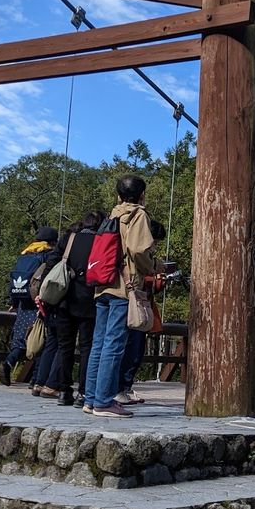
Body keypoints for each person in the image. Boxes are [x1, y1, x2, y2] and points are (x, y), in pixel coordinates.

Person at [85, 176, 165, 418]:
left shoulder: (112, 215)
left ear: (119, 195)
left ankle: (91, 398)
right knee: (114, 344)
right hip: (125, 286)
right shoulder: (138, 215)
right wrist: (153, 266)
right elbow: (139, 249)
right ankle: (104, 401)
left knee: (98, 344)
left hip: (103, 285)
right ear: (142, 195)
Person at [40, 212, 102, 407]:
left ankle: (64, 391)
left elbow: (51, 263)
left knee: (64, 347)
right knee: (87, 347)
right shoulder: (100, 241)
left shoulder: (69, 238)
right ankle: (83, 393)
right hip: (89, 299)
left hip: (64, 299)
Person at [115, 219, 169, 405]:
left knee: (130, 348)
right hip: (133, 303)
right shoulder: (139, 253)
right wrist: (155, 272)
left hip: (132, 301)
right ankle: (121, 388)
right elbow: (138, 278)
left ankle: (121, 388)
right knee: (132, 349)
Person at [0, 226, 57, 389]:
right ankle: (36, 380)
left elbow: (17, 279)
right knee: (41, 339)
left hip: (22, 302)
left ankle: (8, 363)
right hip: (40, 303)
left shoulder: (25, 255)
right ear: (52, 241)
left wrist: (14, 302)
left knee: (20, 340)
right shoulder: (48, 255)